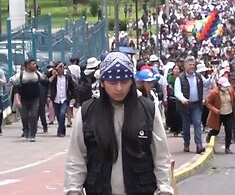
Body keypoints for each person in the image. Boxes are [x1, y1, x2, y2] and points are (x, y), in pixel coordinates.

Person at [64, 52, 173, 195]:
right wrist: (73, 190)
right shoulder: (87, 112)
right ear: (102, 83)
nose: (119, 88)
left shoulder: (148, 110)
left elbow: (161, 157)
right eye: (113, 83)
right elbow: (76, 158)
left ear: (132, 82)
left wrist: (165, 189)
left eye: (124, 82)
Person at [174, 56, 214, 154]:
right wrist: (183, 99)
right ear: (185, 66)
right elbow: (177, 92)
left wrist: (213, 76)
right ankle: (186, 143)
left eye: (193, 65)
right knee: (186, 125)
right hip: (185, 105)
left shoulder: (198, 76)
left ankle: (199, 144)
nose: (192, 66)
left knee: (197, 122)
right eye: (190, 65)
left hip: (196, 104)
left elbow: (206, 84)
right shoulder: (180, 78)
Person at [13, 59, 47, 141]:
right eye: (33, 64)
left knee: (34, 115)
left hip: (35, 99)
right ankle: (26, 129)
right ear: (27, 65)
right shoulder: (20, 75)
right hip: (24, 100)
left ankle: (33, 134)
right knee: (24, 117)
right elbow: (16, 88)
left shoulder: (37, 74)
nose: (35, 65)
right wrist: (17, 99)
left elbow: (45, 82)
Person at [205, 77, 235, 154]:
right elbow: (208, 103)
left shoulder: (230, 90)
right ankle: (209, 136)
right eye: (224, 86)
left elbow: (233, 98)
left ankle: (227, 148)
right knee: (216, 130)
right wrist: (214, 110)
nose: (225, 88)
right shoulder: (214, 92)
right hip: (218, 114)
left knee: (229, 130)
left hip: (228, 112)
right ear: (219, 85)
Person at [48, 62, 77, 137]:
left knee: (62, 113)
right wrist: (54, 74)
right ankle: (61, 130)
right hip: (56, 99)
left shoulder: (67, 77)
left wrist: (73, 97)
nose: (62, 69)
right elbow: (47, 81)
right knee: (58, 116)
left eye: (63, 67)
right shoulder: (54, 77)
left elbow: (72, 87)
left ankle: (61, 132)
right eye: (60, 67)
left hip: (65, 99)